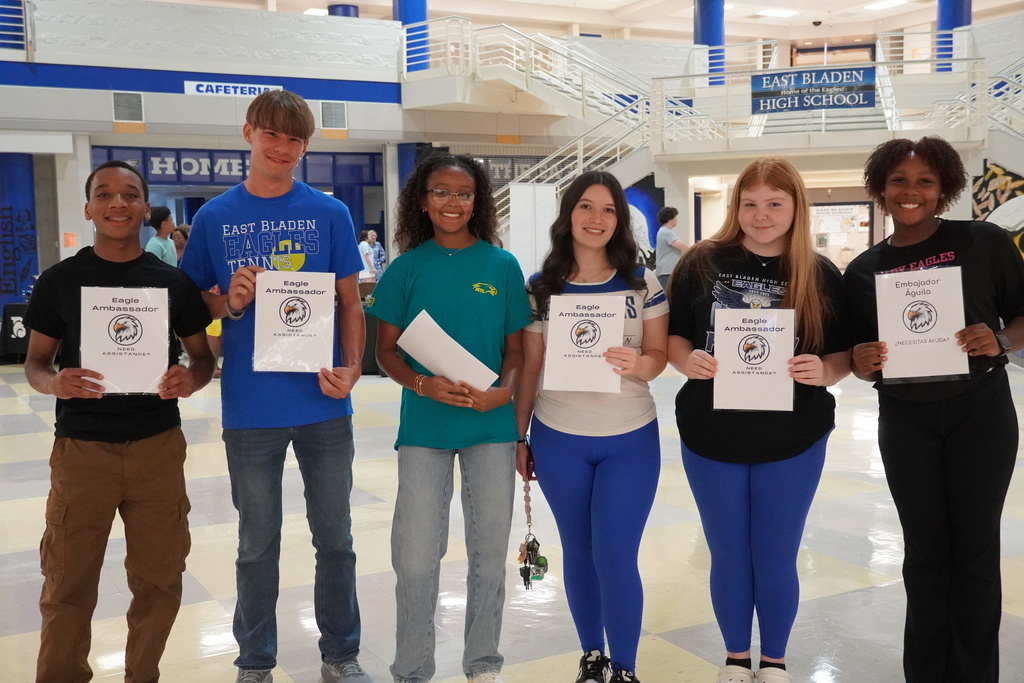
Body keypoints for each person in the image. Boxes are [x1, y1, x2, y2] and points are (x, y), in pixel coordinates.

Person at [179, 89, 372, 683]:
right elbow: (197, 303)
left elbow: (348, 300)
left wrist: (355, 366)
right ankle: (255, 661)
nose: (283, 148)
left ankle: (340, 655)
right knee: (256, 544)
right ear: (248, 134)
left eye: (295, 139)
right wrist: (229, 301)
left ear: (305, 146)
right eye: (272, 135)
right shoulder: (215, 217)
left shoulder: (329, 213)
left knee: (335, 539)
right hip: (250, 407)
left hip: (321, 401)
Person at [23, 160, 215, 683]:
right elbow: (36, 365)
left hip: (157, 447)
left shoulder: (173, 283)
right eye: (104, 194)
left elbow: (202, 360)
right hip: (82, 451)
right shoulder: (60, 282)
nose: (117, 203)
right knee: (66, 583)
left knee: (160, 579)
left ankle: (141, 675)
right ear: (88, 208)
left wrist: (188, 379)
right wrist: (56, 383)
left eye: (130, 194)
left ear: (144, 206)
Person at [844, 136, 1024, 683]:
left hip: (980, 414)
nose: (911, 191)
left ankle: (974, 674)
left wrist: (999, 340)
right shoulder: (864, 269)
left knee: (974, 551)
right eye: (898, 179)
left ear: (944, 187)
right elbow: (857, 358)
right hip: (906, 419)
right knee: (923, 554)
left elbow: (1020, 321)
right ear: (881, 188)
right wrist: (861, 357)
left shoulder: (984, 241)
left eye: (924, 180)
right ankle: (924, 672)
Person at [666, 157, 850, 683]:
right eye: (750, 204)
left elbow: (843, 357)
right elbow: (678, 336)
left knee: (775, 552)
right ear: (735, 206)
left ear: (796, 208)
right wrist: (687, 361)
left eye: (774, 204)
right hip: (710, 432)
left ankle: (773, 661)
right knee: (727, 552)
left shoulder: (817, 272)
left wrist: (825, 369)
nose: (761, 215)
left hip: (794, 435)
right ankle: (734, 658)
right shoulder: (702, 261)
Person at [364, 152, 531, 683]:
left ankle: (483, 662)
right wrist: (421, 383)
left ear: (477, 201)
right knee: (414, 558)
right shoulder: (405, 268)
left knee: (488, 554)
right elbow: (386, 351)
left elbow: (515, 351)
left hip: (489, 428)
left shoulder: (501, 266)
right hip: (425, 430)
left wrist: (501, 396)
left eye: (463, 193)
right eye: (440, 191)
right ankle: (412, 668)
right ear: (422, 200)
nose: (452, 202)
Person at [513, 170, 668, 683]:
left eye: (608, 209)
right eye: (585, 206)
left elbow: (659, 356)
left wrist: (636, 364)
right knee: (578, 551)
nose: (596, 218)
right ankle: (592, 658)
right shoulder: (541, 287)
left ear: (620, 221)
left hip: (629, 435)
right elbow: (530, 366)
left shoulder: (642, 281)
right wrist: (520, 436)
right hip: (558, 435)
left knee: (616, 553)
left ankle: (625, 667)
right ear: (568, 215)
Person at [654, 206, 687, 290]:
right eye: (676, 217)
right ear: (670, 218)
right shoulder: (667, 232)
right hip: (667, 270)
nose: (677, 219)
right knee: (667, 296)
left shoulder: (663, 231)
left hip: (666, 270)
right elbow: (682, 246)